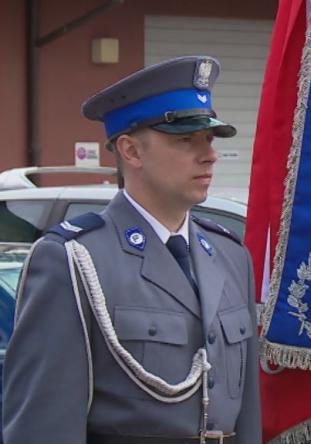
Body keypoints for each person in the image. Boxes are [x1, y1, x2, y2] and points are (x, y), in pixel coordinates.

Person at [2, 56, 261, 444]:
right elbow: (43, 427)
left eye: (209, 139)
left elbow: (247, 417)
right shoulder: (74, 260)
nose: (209, 154)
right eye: (185, 139)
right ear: (131, 152)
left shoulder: (230, 255)